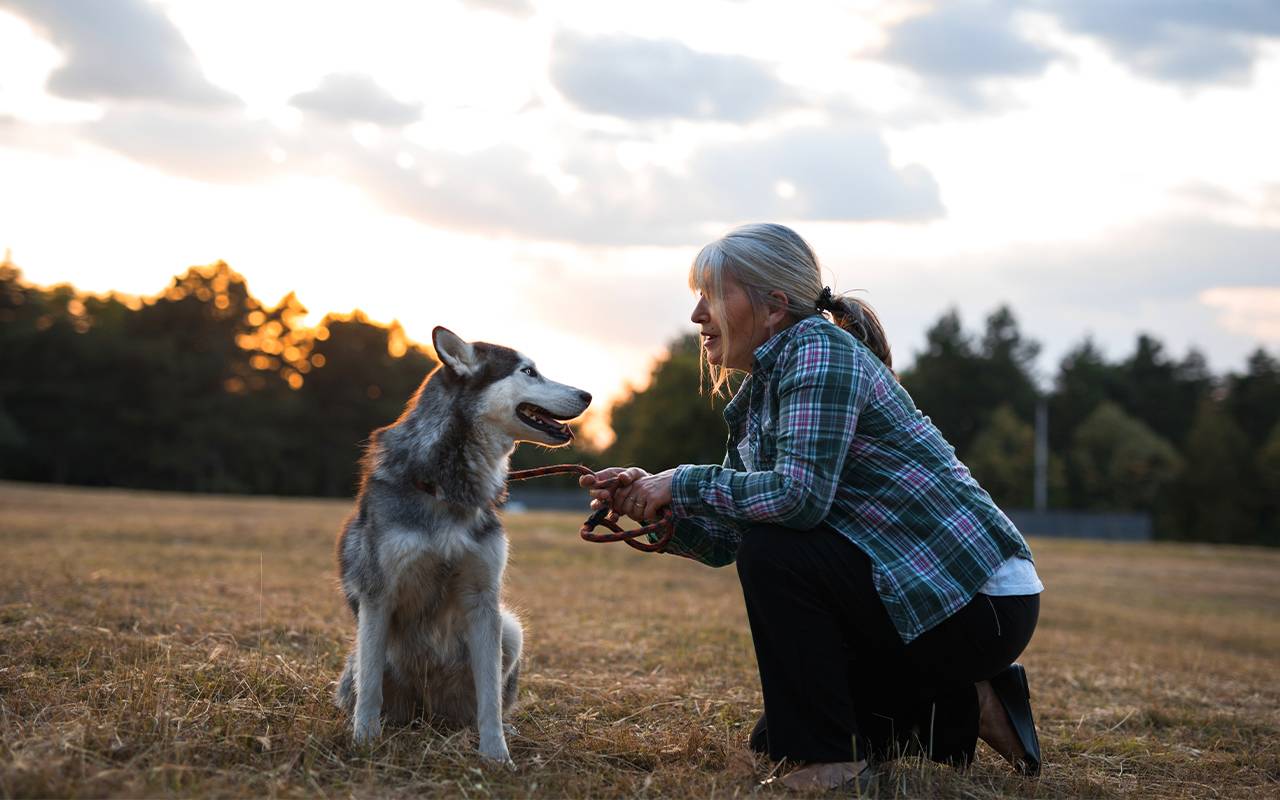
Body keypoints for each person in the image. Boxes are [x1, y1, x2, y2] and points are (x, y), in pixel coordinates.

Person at [580, 223, 1044, 791]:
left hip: (972, 601)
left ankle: (837, 764)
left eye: (713, 294)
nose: (698, 315)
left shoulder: (819, 352)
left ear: (774, 306)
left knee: (777, 557)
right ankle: (970, 703)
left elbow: (796, 502)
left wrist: (680, 480)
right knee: (773, 741)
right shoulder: (760, 394)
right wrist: (654, 510)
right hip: (910, 597)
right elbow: (731, 538)